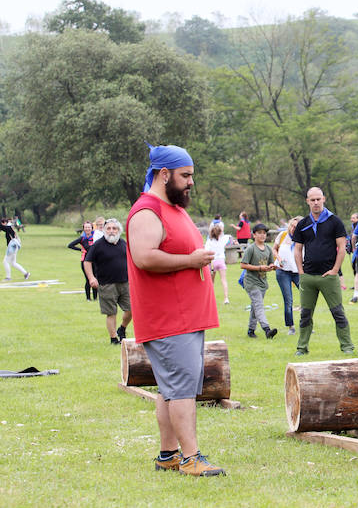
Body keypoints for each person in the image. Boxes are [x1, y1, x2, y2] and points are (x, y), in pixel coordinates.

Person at [126, 144, 225, 476]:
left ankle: (168, 455)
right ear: (163, 174)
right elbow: (144, 256)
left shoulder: (171, 208)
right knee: (181, 388)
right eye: (186, 176)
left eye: (191, 175)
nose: (191, 182)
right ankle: (191, 457)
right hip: (169, 318)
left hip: (185, 317)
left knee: (171, 389)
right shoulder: (146, 211)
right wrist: (191, 261)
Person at [291, 187, 354, 355]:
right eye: (312, 200)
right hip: (308, 277)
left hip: (329, 276)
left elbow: (342, 248)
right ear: (307, 201)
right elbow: (297, 249)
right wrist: (300, 272)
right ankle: (301, 349)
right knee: (305, 314)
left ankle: (347, 347)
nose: (316, 202)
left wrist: (335, 270)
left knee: (338, 312)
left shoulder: (335, 221)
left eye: (318, 199)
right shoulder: (303, 224)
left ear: (324, 199)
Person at [84, 218, 131, 344]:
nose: (111, 231)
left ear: (119, 231)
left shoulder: (123, 244)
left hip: (125, 283)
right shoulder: (98, 245)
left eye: (114, 228)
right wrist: (91, 278)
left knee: (131, 309)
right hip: (106, 284)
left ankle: (122, 329)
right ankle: (114, 338)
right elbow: (87, 261)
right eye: (108, 228)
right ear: (104, 230)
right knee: (111, 313)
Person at [240, 223, 278, 339]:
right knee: (259, 306)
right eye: (259, 233)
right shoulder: (251, 248)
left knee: (255, 307)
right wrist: (259, 268)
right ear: (254, 235)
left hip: (263, 283)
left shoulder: (267, 248)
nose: (262, 235)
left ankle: (251, 330)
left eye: (264, 233)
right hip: (251, 283)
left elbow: (271, 262)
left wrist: (272, 266)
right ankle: (267, 330)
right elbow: (242, 265)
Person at [273, 216, 302, 335]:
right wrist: (278, 258)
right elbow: (274, 249)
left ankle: (306, 324)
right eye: (292, 226)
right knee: (288, 300)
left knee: (307, 298)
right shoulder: (283, 235)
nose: (293, 229)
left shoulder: (303, 237)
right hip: (283, 271)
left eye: (296, 227)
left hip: (298, 271)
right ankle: (291, 326)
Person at [0, 212, 30, 281]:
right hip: (14, 246)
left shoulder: (9, 227)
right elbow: (1, 227)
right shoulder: (10, 227)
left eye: (3, 223)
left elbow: (1, 227)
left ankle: (8, 277)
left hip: (12, 247)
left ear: (4, 222)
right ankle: (26, 273)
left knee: (5, 261)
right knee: (13, 263)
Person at [204, 223, 232, 305]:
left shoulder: (210, 241)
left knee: (212, 281)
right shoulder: (222, 239)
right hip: (221, 261)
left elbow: (206, 251)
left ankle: (211, 299)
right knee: (223, 280)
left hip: (213, 263)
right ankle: (226, 298)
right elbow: (229, 237)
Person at [68, 221, 98, 300]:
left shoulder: (95, 237)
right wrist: (80, 249)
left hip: (95, 261)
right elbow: (70, 245)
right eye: (86, 227)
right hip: (85, 261)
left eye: (89, 227)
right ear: (84, 229)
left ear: (92, 228)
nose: (87, 229)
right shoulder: (82, 238)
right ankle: (88, 298)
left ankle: (95, 298)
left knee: (95, 278)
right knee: (88, 279)